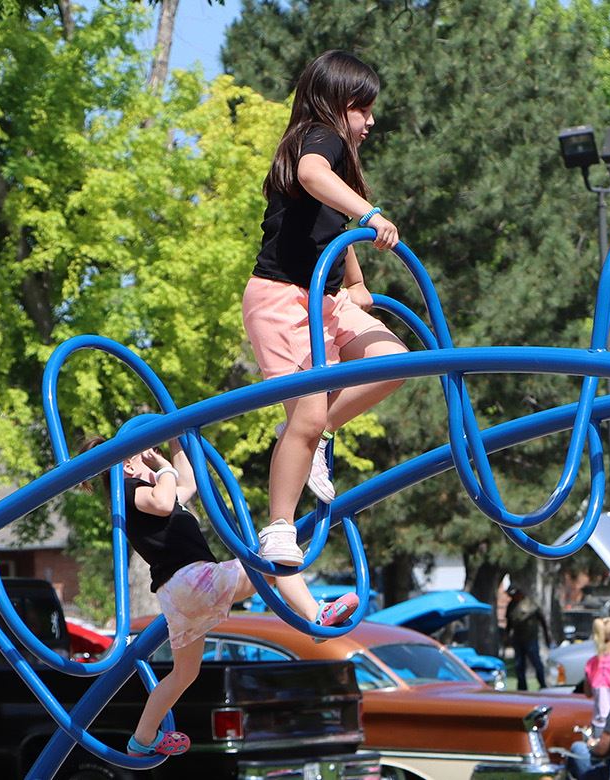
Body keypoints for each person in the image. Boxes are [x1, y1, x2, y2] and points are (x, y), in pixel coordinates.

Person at [244, 49, 410, 566]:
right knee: (308, 414)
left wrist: (356, 282)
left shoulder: (336, 149)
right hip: (283, 299)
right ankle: (278, 527)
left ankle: (311, 434)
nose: (370, 122)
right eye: (363, 110)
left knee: (393, 361)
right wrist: (371, 211)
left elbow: (332, 230)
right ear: (337, 104)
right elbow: (313, 174)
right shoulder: (320, 139)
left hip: (325, 296)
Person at [103, 428, 361, 758]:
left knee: (185, 673)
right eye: (142, 460)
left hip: (178, 596)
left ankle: (142, 738)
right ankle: (315, 615)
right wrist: (162, 467)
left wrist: (175, 436)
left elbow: (187, 484)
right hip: (192, 581)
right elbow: (165, 500)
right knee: (275, 556)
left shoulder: (144, 491)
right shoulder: (128, 490)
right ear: (128, 467)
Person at [506, 586, 549, 691]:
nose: (512, 597)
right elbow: (509, 622)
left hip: (531, 639)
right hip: (518, 639)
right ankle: (522, 686)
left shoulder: (531, 604)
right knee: (519, 665)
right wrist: (506, 636)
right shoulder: (511, 606)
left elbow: (542, 620)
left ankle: (542, 683)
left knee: (536, 662)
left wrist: (547, 635)